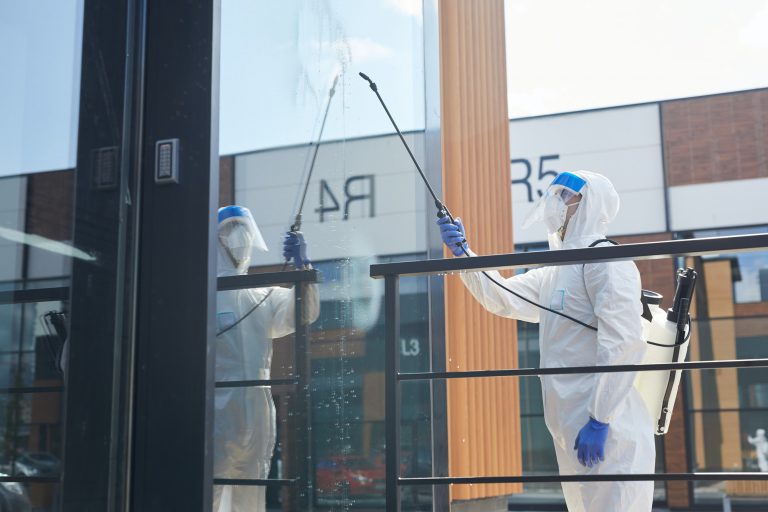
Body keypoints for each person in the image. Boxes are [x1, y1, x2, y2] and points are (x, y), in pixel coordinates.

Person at [437, 171, 655, 511]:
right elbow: (503, 297)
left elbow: (623, 342)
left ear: (590, 203)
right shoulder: (555, 270)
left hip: (610, 429)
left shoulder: (606, 261)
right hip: (569, 424)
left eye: (567, 195)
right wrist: (465, 253)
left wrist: (600, 418)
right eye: (556, 193)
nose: (557, 201)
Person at [214, 205, 319, 512]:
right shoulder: (200, 294)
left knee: (251, 496)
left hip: (258, 409)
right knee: (208, 491)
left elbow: (302, 312)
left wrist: (304, 270)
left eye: (244, 230)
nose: (238, 238)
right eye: (230, 231)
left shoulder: (260, 295)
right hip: (216, 407)